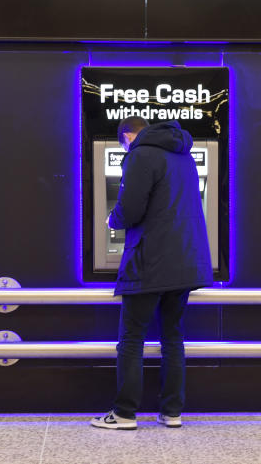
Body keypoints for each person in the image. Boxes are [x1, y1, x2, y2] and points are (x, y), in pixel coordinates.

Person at [91, 117, 213, 430]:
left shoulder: (140, 154)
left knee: (132, 338)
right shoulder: (183, 154)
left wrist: (111, 221)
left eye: (123, 145)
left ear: (127, 136)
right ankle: (172, 412)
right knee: (173, 337)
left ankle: (124, 414)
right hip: (186, 258)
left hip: (150, 260)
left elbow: (131, 209)